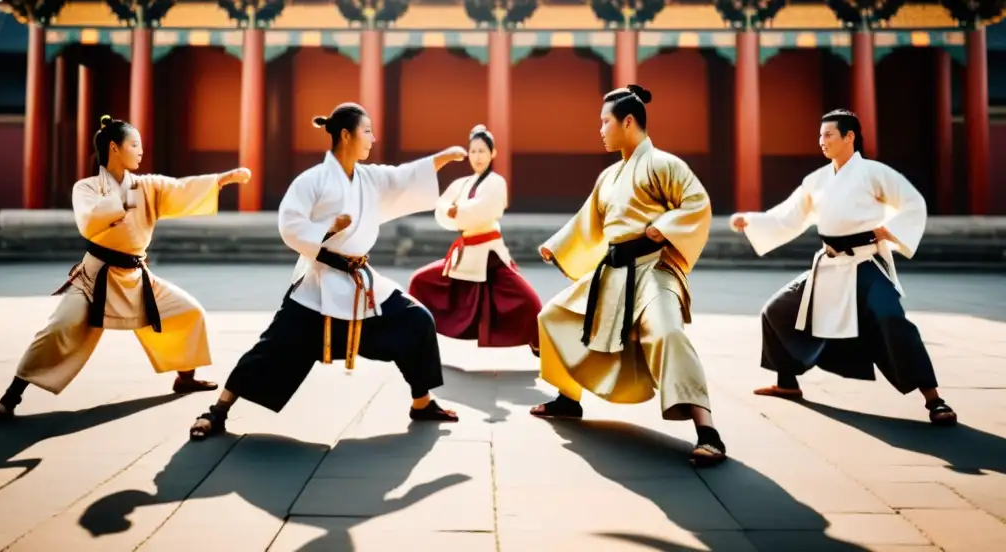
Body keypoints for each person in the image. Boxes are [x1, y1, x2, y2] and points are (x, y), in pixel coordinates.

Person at [188, 104, 468, 440]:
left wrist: (443, 158)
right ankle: (218, 410)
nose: (373, 139)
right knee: (273, 347)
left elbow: (403, 177)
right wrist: (326, 228)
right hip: (318, 285)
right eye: (367, 131)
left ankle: (421, 402)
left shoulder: (368, 177)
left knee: (416, 320)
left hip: (360, 282)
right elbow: (289, 224)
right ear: (346, 135)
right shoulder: (312, 180)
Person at [0, 115, 250, 423]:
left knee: (188, 312)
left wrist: (221, 179)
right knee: (58, 329)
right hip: (94, 277)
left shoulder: (146, 186)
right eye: (134, 145)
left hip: (136, 277)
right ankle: (9, 399)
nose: (140, 151)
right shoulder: (86, 188)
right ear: (114, 147)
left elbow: (179, 188)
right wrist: (119, 203)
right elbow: (88, 223)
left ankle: (185, 377)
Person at [528, 84, 727, 467]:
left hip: (654, 268)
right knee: (552, 316)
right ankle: (568, 399)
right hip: (615, 271)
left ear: (628, 121)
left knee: (668, 332)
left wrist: (665, 226)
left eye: (605, 122)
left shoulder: (665, 164)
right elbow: (588, 222)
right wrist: (558, 244)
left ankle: (709, 432)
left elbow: (697, 204)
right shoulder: (609, 176)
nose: (601, 130)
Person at [730, 108, 957, 426]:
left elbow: (912, 203)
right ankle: (787, 383)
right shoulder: (818, 179)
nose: (821, 141)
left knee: (891, 318)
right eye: (820, 135)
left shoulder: (874, 173)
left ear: (849, 137)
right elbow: (789, 215)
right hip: (830, 266)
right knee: (777, 310)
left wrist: (886, 228)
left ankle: (934, 400)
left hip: (865, 263)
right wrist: (752, 220)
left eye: (828, 135)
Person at [407, 124, 542, 355]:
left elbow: (484, 210)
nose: (477, 157)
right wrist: (451, 211)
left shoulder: (497, 182)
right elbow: (442, 204)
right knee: (420, 281)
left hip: (490, 254)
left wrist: (457, 211)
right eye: (473, 151)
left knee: (529, 301)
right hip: (464, 255)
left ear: (493, 153)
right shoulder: (462, 184)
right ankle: (417, 333)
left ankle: (539, 341)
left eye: (482, 151)